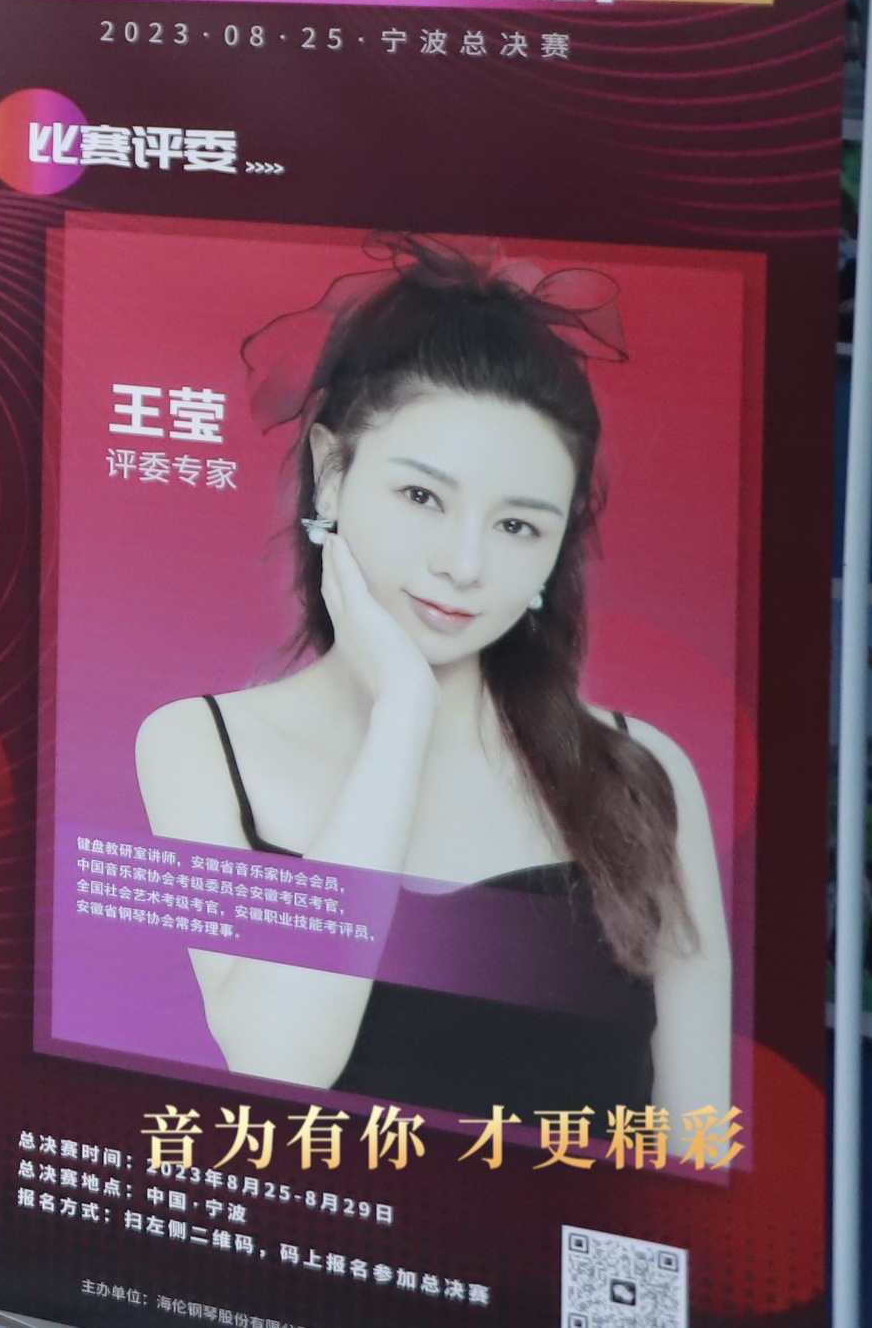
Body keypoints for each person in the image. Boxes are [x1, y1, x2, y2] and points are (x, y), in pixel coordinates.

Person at [134, 239, 731, 1117]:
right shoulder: (199, 745)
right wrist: (402, 716)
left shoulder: (641, 772)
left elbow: (699, 1134)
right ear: (331, 475)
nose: (463, 564)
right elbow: (279, 1061)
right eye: (422, 497)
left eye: (518, 526)